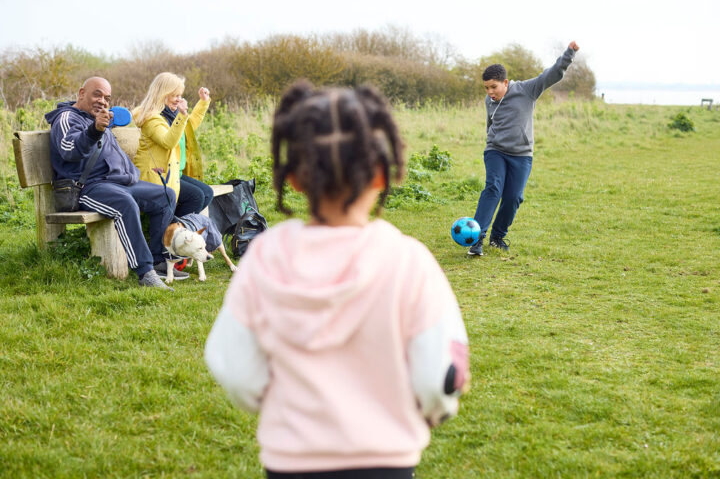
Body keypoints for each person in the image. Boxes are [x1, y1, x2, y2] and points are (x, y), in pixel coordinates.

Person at [205, 81, 470, 478]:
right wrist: (434, 411)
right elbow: (440, 376)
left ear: (293, 178)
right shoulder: (409, 260)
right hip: (387, 459)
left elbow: (234, 366)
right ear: (382, 175)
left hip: (291, 460)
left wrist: (279, 407)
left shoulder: (264, 257)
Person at [45, 77, 175, 290]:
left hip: (120, 183)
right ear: (81, 93)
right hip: (88, 187)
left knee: (165, 195)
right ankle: (145, 272)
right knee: (125, 203)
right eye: (97, 94)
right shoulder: (67, 118)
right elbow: (69, 149)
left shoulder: (98, 117)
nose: (102, 101)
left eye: (107, 98)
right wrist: (94, 130)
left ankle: (158, 260)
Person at [468, 41, 580, 256]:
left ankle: (497, 237)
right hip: (495, 151)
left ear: (506, 82)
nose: (490, 92)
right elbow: (490, 124)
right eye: (486, 88)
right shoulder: (489, 100)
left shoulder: (527, 90)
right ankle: (476, 238)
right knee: (493, 188)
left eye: (494, 87)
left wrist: (570, 53)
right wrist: (491, 141)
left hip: (521, 155)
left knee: (513, 197)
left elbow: (553, 74)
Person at [132, 72, 214, 219]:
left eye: (180, 95)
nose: (179, 99)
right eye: (175, 95)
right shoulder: (153, 118)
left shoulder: (172, 114)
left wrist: (203, 102)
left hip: (174, 172)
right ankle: (173, 230)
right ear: (163, 94)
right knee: (196, 197)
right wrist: (182, 115)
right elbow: (168, 141)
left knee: (207, 193)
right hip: (158, 176)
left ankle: (179, 227)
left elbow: (190, 125)